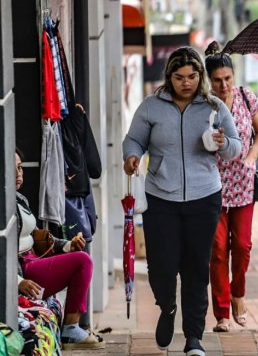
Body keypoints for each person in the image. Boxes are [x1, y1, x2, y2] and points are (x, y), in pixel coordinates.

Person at [122, 47, 241, 356]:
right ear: (169, 76)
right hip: (161, 197)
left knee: (196, 268)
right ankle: (167, 305)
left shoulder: (213, 107)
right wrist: (132, 156)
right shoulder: (151, 107)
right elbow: (134, 139)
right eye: (179, 77)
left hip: (204, 197)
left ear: (199, 76)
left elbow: (235, 147)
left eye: (192, 76)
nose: (186, 83)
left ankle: (194, 339)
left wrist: (222, 142)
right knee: (162, 266)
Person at [204, 42, 258, 332]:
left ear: (234, 76)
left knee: (241, 246)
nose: (223, 85)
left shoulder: (246, 97)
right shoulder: (202, 103)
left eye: (227, 78)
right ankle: (221, 313)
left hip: (242, 185)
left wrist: (252, 157)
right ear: (209, 80)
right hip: (211, 187)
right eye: (217, 80)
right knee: (217, 249)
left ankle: (238, 294)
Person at [15, 148, 105, 350]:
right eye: (12, 169)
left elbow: (38, 235)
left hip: (33, 260)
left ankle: (71, 328)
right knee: (83, 261)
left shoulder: (20, 199)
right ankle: (71, 329)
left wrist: (67, 245)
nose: (18, 174)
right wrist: (18, 282)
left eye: (20, 168)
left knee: (79, 255)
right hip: (22, 269)